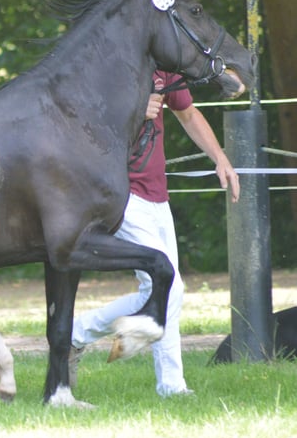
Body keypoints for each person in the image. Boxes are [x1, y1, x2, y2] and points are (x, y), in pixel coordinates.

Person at [70, 71, 240, 397]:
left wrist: (221, 158)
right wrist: (132, 109)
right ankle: (168, 385)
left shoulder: (165, 67)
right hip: (123, 193)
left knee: (168, 290)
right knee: (167, 286)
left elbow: (188, 113)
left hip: (158, 196)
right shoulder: (113, 62)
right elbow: (82, 121)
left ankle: (80, 337)